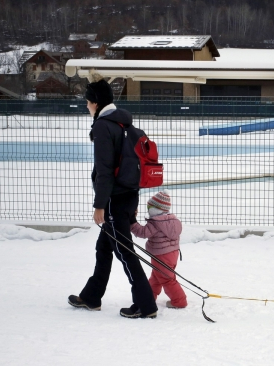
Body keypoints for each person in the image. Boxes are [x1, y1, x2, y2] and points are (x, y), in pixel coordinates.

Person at [68, 74, 158, 319]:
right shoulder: (125, 124)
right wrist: (133, 202)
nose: (86, 106)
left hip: (114, 200)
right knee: (104, 248)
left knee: (125, 252)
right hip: (128, 196)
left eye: (88, 102)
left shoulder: (102, 126)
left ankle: (145, 305)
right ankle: (91, 297)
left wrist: (100, 206)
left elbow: (105, 171)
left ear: (96, 103)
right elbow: (132, 165)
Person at [130, 189, 187, 309]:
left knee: (167, 279)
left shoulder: (156, 223)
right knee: (157, 276)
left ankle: (179, 301)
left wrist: (132, 222)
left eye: (149, 207)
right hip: (173, 253)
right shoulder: (173, 221)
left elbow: (142, 232)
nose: (148, 210)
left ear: (156, 209)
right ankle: (149, 296)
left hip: (161, 254)